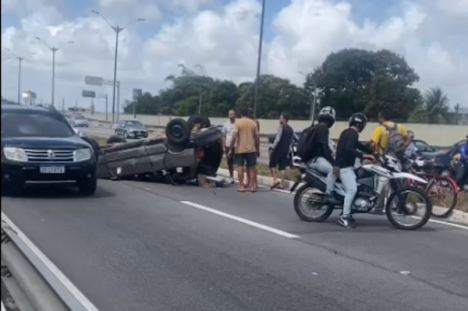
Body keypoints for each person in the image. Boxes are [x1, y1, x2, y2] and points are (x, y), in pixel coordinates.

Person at [335, 113, 375, 228]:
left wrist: (371, 151)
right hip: (344, 168)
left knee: (358, 185)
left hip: (345, 166)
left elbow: (358, 146)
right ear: (360, 124)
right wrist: (364, 156)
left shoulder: (348, 132)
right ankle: (344, 216)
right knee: (352, 189)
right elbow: (349, 148)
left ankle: (350, 210)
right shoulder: (353, 133)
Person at [370, 110, 411, 214]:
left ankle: (378, 207)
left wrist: (374, 154)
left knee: (382, 182)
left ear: (381, 118)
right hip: (396, 159)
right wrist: (402, 149)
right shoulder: (399, 127)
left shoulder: (380, 129)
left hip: (383, 159)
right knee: (396, 182)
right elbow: (408, 139)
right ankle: (398, 206)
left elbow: (373, 144)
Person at [307, 106, 339, 204]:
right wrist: (334, 164)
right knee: (333, 171)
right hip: (315, 160)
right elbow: (325, 148)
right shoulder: (323, 129)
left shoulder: (315, 128)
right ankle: (329, 194)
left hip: (311, 159)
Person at [229, 107, 260, 192]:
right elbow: (257, 137)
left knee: (240, 167)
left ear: (240, 114)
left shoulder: (238, 123)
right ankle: (252, 186)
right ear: (248, 113)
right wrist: (257, 148)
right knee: (252, 167)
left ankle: (241, 186)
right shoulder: (253, 123)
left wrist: (231, 149)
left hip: (240, 148)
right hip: (251, 148)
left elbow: (234, 136)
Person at [269, 113, 294, 189]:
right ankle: (282, 184)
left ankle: (275, 180)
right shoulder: (291, 129)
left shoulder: (281, 127)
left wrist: (272, 148)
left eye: (280, 118)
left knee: (272, 165)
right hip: (285, 150)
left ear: (284, 119)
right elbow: (291, 141)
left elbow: (278, 139)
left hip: (278, 149)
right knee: (283, 167)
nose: (279, 120)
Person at [222, 110, 236, 183]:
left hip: (236, 145)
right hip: (228, 144)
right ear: (228, 116)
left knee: (238, 162)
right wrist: (223, 147)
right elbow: (224, 136)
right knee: (229, 162)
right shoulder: (225, 124)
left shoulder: (237, 124)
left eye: (233, 114)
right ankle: (231, 177)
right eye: (230, 114)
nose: (232, 116)